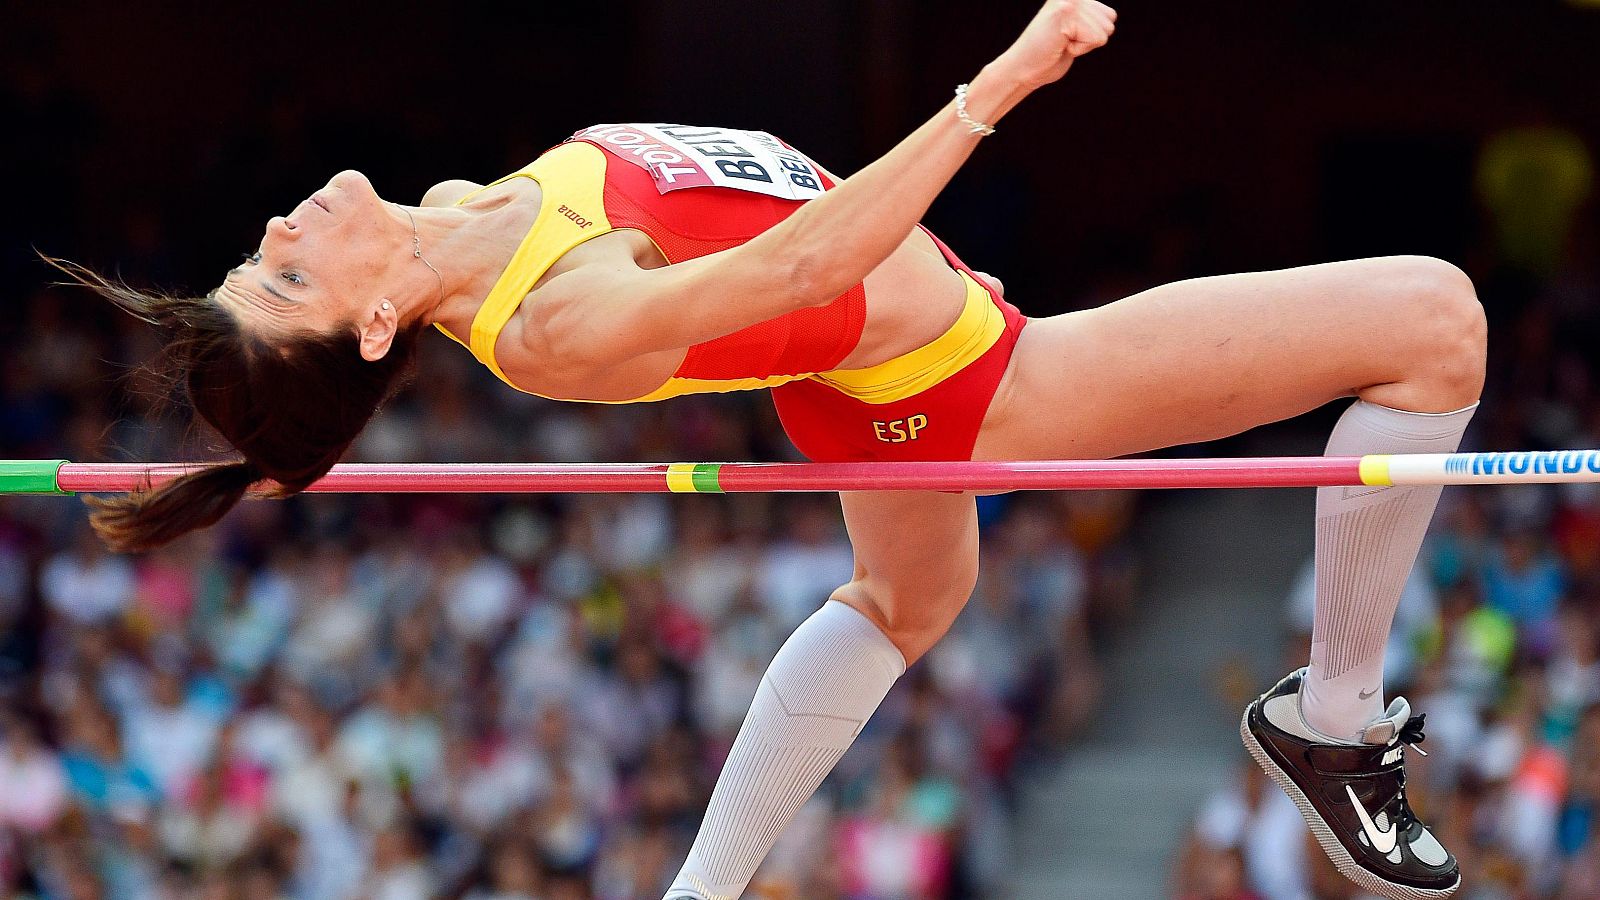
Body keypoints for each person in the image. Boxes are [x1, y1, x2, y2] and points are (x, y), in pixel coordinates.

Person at [56, 1, 1483, 897]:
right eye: (286, 276)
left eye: (262, 255)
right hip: (974, 379)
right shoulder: (556, 322)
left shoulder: (448, 206)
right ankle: (1336, 721)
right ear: (374, 324)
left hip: (871, 380)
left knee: (909, 604)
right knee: (1437, 321)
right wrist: (998, 84)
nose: (285, 230)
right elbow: (803, 265)